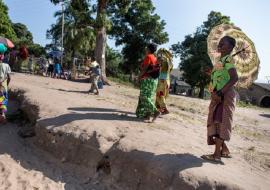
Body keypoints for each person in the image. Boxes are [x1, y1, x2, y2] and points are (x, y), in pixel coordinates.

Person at [201, 36, 239, 163]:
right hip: (218, 96)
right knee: (217, 122)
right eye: (219, 43)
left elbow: (234, 78)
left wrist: (220, 93)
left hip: (224, 96)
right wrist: (210, 72)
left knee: (220, 121)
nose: (219, 45)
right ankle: (224, 150)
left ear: (230, 47)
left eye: (223, 44)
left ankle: (216, 155)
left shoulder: (228, 59)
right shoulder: (220, 60)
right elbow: (220, 77)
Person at [136, 43, 160, 122]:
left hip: (147, 80)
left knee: (144, 97)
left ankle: (155, 111)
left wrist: (138, 77)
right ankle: (147, 115)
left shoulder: (148, 57)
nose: (145, 48)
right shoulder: (155, 58)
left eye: (146, 47)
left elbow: (144, 69)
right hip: (154, 81)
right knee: (149, 97)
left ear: (149, 49)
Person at [155, 48, 173, 115]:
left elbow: (158, 66)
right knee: (163, 95)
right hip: (167, 80)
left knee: (159, 95)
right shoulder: (170, 61)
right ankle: (158, 110)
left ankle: (164, 109)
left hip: (162, 79)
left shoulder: (163, 59)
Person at [0, 43, 11, 123]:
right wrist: (6, 85)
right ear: (3, 56)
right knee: (3, 101)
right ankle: (3, 114)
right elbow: (9, 77)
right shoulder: (6, 65)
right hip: (3, 87)